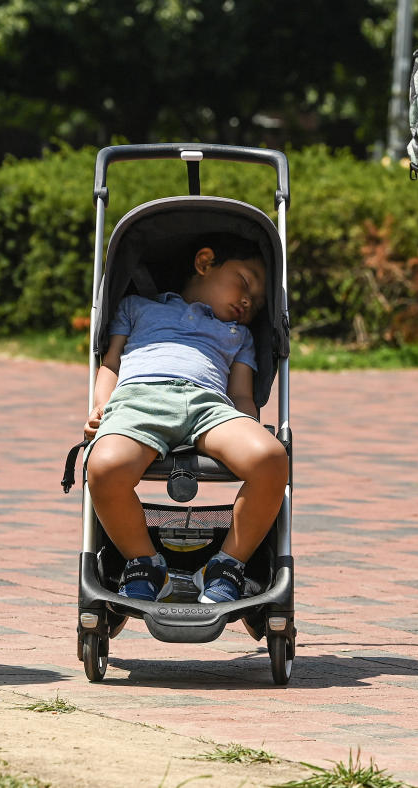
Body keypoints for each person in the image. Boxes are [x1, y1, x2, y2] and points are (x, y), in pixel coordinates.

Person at [83, 235, 288, 604]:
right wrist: (101, 406)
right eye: (244, 283)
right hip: (139, 400)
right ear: (205, 262)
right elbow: (110, 364)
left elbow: (241, 394)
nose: (248, 301)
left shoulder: (239, 335)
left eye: (257, 302)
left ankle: (226, 565)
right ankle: (144, 563)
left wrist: (248, 424)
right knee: (102, 467)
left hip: (209, 405)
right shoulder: (137, 307)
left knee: (271, 458)